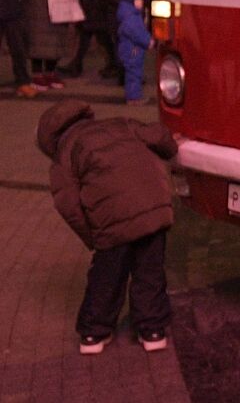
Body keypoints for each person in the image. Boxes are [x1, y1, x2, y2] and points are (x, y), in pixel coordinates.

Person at [37, 99, 177, 354]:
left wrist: (93, 236)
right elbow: (158, 135)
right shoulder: (120, 123)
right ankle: (153, 331)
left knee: (106, 276)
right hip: (153, 206)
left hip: (110, 219)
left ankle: (94, 334)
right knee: (150, 272)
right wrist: (170, 148)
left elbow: (68, 204)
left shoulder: (66, 152)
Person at [116, 0, 152, 105]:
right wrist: (148, 41)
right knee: (134, 75)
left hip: (132, 50)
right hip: (132, 51)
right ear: (132, 2)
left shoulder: (132, 16)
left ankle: (133, 96)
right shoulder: (131, 18)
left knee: (134, 73)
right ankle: (133, 98)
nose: (141, 1)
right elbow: (137, 33)